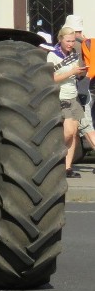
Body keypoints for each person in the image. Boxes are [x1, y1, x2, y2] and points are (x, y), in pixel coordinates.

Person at [48, 25, 94, 178]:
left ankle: (67, 168)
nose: (71, 44)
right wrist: (71, 72)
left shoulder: (74, 53)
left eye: (73, 41)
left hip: (73, 96)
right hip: (61, 96)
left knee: (74, 132)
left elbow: (75, 75)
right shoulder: (52, 55)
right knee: (67, 132)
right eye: (68, 41)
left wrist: (81, 72)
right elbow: (51, 78)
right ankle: (51, 155)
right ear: (60, 39)